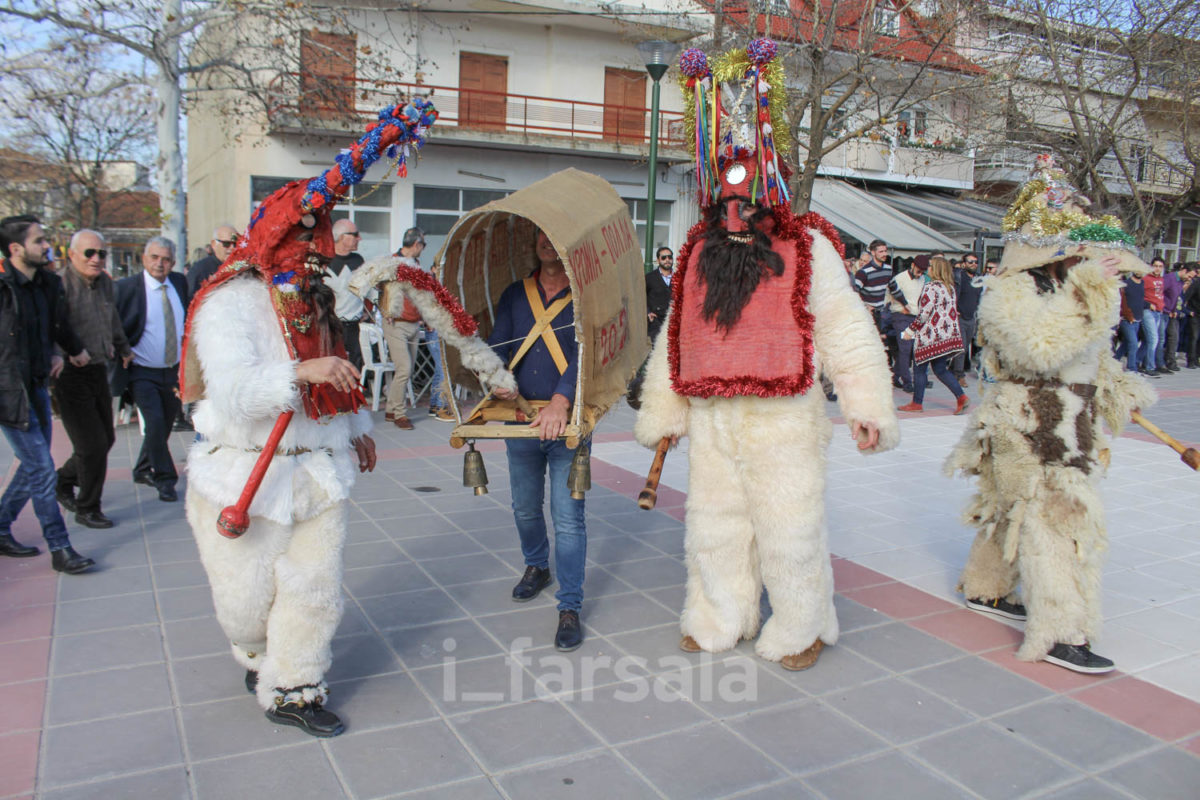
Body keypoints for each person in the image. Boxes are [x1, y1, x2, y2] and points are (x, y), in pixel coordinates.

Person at [179, 97, 509, 737]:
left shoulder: (320, 303)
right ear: (277, 238)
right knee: (245, 607)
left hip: (316, 473)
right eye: (307, 239)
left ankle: (295, 687)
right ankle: (255, 652)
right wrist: (298, 372)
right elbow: (236, 393)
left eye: (321, 241)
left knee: (314, 590)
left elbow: (341, 378)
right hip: (243, 474)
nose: (318, 252)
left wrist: (355, 430)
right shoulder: (231, 303)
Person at [635, 40, 899, 672]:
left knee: (789, 527)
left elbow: (846, 328)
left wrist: (866, 405)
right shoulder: (697, 252)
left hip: (783, 418)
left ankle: (803, 624)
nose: (735, 213)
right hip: (714, 416)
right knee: (715, 525)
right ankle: (720, 616)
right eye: (726, 202)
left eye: (746, 202)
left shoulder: (809, 248)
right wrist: (665, 408)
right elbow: (677, 334)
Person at [948, 156, 1156, 674]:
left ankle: (987, 588)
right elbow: (1039, 349)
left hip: (1069, 422)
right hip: (1029, 426)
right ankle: (1061, 632)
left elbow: (1093, 359)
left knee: (1013, 512)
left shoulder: (1072, 290)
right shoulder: (1009, 292)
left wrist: (1118, 391)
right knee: (1058, 523)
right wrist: (1088, 291)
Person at [489, 229, 588, 652]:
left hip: (567, 421)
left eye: (556, 236)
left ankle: (570, 606)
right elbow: (498, 344)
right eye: (541, 237)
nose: (548, 243)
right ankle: (536, 566)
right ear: (534, 245)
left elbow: (588, 354)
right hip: (521, 419)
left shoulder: (585, 297)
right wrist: (496, 376)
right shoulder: (516, 294)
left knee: (568, 519)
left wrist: (562, 401)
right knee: (525, 508)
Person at [0, 215, 94, 573]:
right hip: (9, 392)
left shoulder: (47, 283)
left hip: (37, 384)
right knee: (41, 469)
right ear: (16, 248)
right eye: (39, 240)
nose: (46, 246)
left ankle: (1, 526)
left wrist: (63, 351)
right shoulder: (3, 288)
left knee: (33, 465)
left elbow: (56, 325)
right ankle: (60, 547)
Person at [54, 229, 133, 528]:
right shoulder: (59, 285)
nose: (96, 259)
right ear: (72, 254)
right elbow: (51, 327)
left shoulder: (105, 284)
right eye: (89, 253)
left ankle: (62, 481)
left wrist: (123, 347)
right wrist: (62, 355)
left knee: (106, 439)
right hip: (69, 373)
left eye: (101, 253)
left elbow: (113, 320)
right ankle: (87, 507)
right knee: (91, 446)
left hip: (99, 368)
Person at [115, 237, 189, 502]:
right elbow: (114, 324)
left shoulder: (179, 283)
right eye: (155, 258)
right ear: (144, 259)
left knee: (165, 424)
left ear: (173, 262)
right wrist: (122, 349)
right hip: (142, 370)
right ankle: (165, 479)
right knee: (155, 423)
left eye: (166, 259)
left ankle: (142, 468)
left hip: (172, 371)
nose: (160, 263)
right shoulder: (127, 288)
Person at [350, 227, 424, 429]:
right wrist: (380, 310)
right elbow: (372, 287)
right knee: (404, 368)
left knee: (407, 370)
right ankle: (399, 413)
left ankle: (391, 408)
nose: (422, 249)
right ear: (416, 244)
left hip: (414, 322)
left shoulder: (416, 264)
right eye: (423, 245)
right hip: (396, 324)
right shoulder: (391, 262)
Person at [898, 256, 968, 414]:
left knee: (919, 369)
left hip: (929, 336)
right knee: (941, 369)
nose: (927, 268)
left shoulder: (931, 287)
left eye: (930, 266)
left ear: (936, 269)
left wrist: (910, 331)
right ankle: (961, 397)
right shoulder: (949, 288)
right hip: (945, 335)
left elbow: (924, 314)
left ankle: (917, 403)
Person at [325, 219, 368, 370]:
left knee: (356, 367)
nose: (359, 238)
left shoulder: (358, 260)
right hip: (332, 326)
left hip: (355, 327)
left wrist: (368, 311)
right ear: (342, 237)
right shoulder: (325, 261)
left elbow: (368, 289)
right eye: (355, 234)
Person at [885, 252, 928, 392]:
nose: (920, 274)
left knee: (910, 350)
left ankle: (895, 376)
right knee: (905, 349)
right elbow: (889, 296)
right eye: (918, 271)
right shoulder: (900, 278)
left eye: (922, 272)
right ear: (912, 265)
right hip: (901, 317)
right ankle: (907, 382)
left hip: (915, 317)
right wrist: (900, 307)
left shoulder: (922, 279)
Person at [952, 252, 983, 385]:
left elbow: (979, 297)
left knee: (966, 346)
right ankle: (959, 375)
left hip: (972, 317)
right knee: (961, 347)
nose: (973, 264)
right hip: (960, 317)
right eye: (970, 262)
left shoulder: (978, 279)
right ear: (964, 264)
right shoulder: (959, 278)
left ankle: (954, 369)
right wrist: (954, 310)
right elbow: (953, 294)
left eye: (975, 262)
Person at [187, 224, 239, 296]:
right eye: (226, 244)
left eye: (236, 244)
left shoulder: (242, 267)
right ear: (214, 244)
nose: (232, 248)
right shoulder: (200, 270)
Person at [1114, 273, 1145, 373]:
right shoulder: (1126, 284)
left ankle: (1114, 360)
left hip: (1138, 318)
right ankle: (1131, 368)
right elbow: (1121, 302)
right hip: (1126, 319)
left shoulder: (1142, 283)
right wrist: (1127, 315)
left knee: (1127, 343)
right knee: (1133, 344)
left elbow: (1142, 300)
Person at [1140, 258, 1165, 375]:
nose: (1157, 268)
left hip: (1158, 311)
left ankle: (1137, 361)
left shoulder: (1161, 279)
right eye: (1155, 266)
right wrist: (1148, 304)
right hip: (1148, 311)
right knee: (1154, 339)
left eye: (1160, 266)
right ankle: (1150, 367)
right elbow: (1138, 296)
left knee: (1149, 340)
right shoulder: (1145, 279)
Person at [645, 246, 673, 342]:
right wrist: (648, 312)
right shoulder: (649, 278)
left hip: (673, 321)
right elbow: (641, 297)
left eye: (669, 257)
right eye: (663, 258)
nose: (667, 260)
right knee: (657, 348)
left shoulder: (679, 277)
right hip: (655, 322)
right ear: (658, 260)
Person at [1161, 261, 1184, 372]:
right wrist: (1165, 309)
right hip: (1163, 311)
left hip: (1172, 313)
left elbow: (1177, 298)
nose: (1190, 278)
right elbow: (1160, 293)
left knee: (1174, 337)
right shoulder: (1169, 278)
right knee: (1159, 338)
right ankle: (1161, 362)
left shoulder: (1181, 281)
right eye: (1190, 275)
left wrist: (1175, 310)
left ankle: (1170, 360)